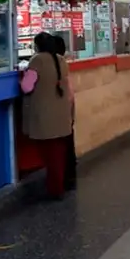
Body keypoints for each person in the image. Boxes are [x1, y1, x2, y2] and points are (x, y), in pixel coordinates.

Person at [21, 32, 76, 199]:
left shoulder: (37, 60)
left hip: (44, 116)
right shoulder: (61, 59)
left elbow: (26, 87)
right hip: (62, 114)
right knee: (59, 153)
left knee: (50, 156)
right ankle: (58, 186)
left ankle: (55, 189)